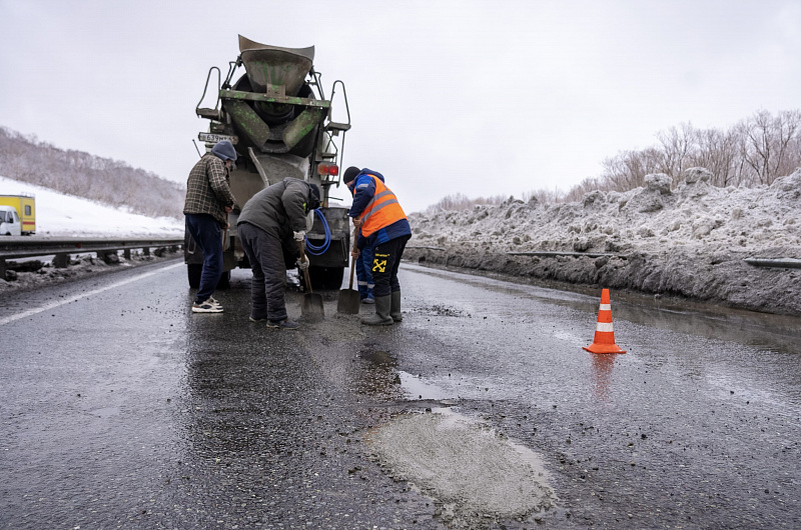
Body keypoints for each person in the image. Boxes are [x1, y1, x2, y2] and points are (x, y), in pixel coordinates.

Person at [237, 177, 321, 330]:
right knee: (275, 273)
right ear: (312, 196)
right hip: (262, 225)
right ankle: (277, 318)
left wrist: (299, 255)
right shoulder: (300, 186)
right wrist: (300, 227)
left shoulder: (283, 201)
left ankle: (259, 313)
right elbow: (291, 198)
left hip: (245, 224)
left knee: (260, 274)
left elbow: (289, 236)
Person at [343, 166, 411, 325]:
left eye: (348, 186)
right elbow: (367, 229)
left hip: (388, 233)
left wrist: (353, 212)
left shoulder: (365, 178)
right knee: (391, 274)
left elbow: (364, 191)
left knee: (379, 274)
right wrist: (358, 247)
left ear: (352, 181)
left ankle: (382, 316)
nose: (350, 190)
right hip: (399, 231)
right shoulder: (375, 192)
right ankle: (395, 314)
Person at [183, 140, 238, 313]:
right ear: (226, 157)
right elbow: (219, 185)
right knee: (214, 260)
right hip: (205, 217)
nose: (229, 166)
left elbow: (206, 195)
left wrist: (222, 222)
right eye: (229, 162)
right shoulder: (215, 161)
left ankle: (205, 297)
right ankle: (201, 301)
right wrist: (230, 202)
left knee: (209, 257)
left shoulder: (200, 164)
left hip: (193, 216)